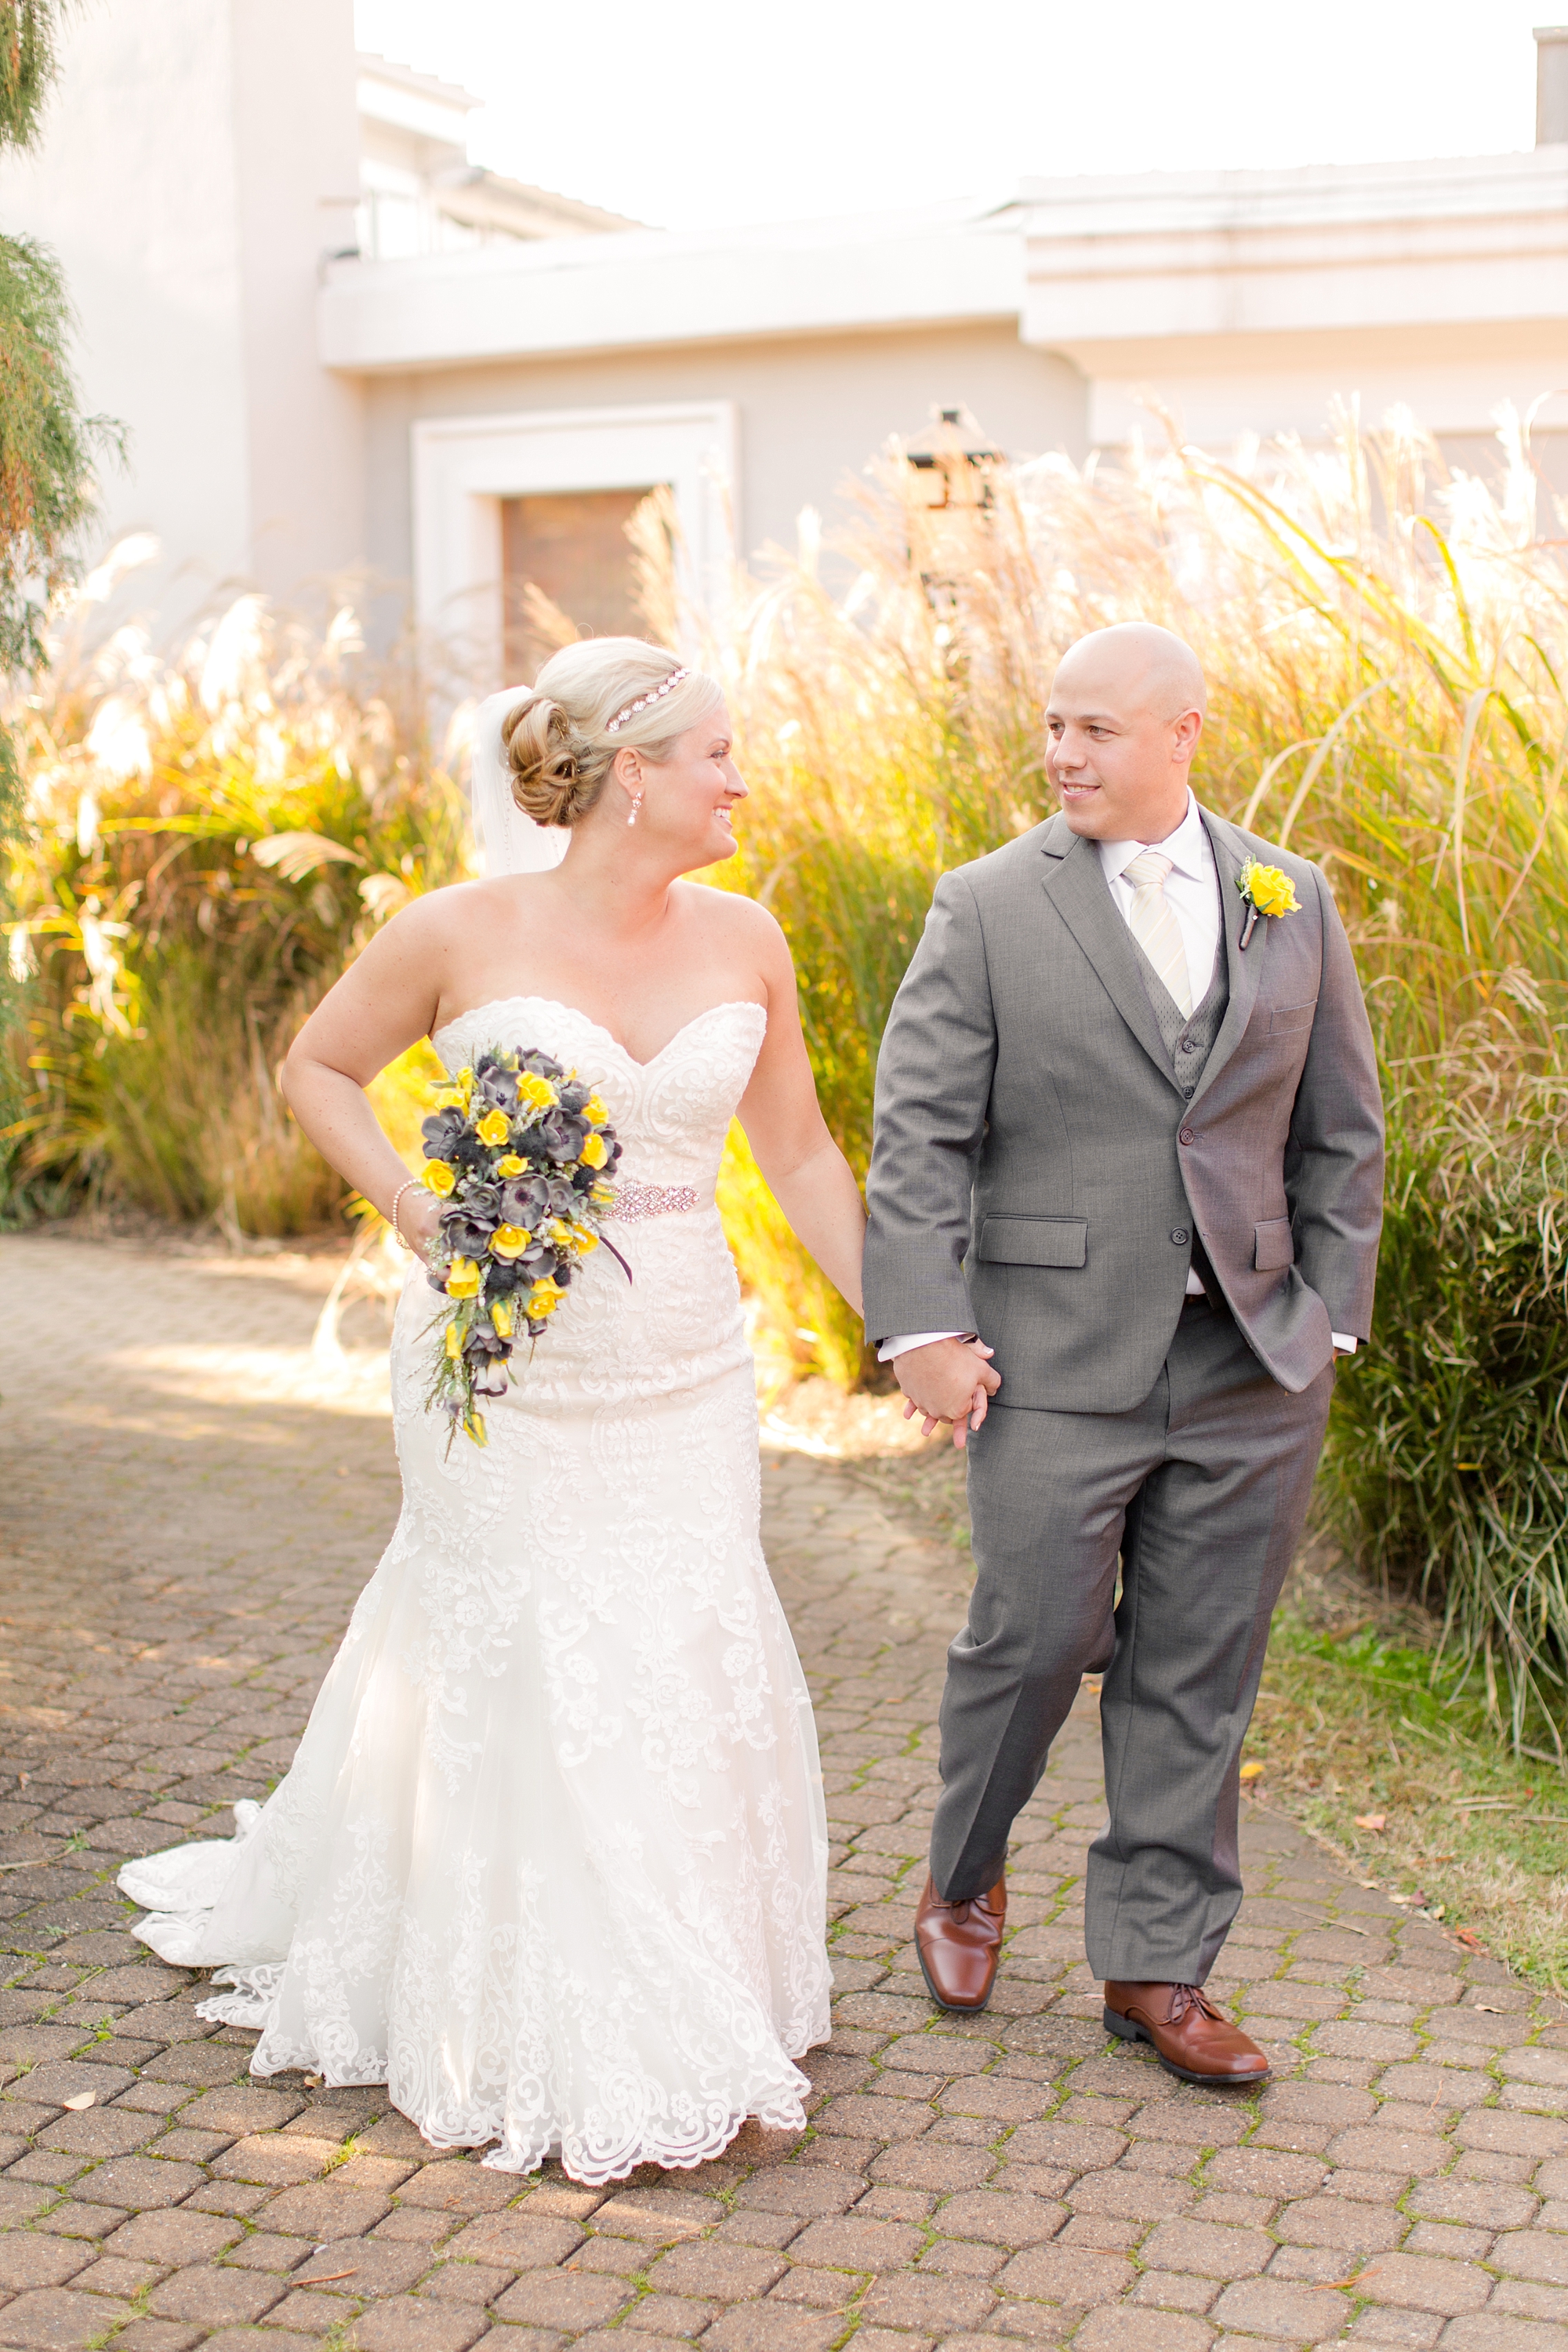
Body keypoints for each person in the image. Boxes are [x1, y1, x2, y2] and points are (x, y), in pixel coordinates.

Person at [118, 640, 866, 2183]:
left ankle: (693, 1966)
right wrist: (410, 1201)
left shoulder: (746, 938)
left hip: (684, 1371)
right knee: (528, 1637)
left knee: (675, 1639)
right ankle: (556, 2011)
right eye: (718, 751)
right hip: (500, 1368)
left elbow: (796, 1158)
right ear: (634, 775)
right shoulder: (454, 930)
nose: (742, 776)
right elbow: (318, 1066)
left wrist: (907, 1327)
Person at [862, 622, 1383, 2085]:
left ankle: (1156, 1969)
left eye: (1095, 729)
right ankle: (961, 1878)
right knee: (1027, 1640)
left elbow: (1343, 1124)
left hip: (1253, 1363)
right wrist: (921, 1328)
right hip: (1050, 1357)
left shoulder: (1292, 897)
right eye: (1052, 726)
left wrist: (1327, 1310)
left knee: (1199, 1669)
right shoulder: (983, 908)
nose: (1064, 754)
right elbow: (919, 1142)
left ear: (1185, 736)